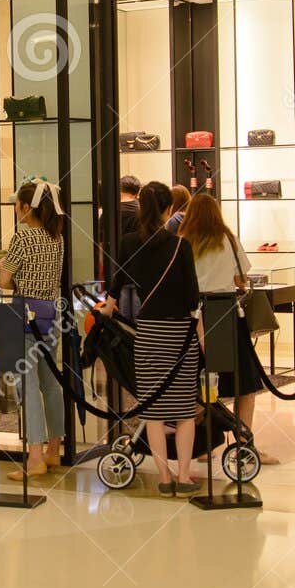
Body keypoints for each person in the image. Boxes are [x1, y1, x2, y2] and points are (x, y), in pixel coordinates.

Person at [109, 183, 202, 495]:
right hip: (178, 334)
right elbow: (192, 297)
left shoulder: (128, 243)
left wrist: (109, 303)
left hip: (147, 332)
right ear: (167, 210)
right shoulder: (180, 246)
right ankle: (185, 475)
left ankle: (163, 476)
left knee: (154, 410)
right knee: (185, 410)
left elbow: (117, 281)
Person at [179, 192, 276, 465]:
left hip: (195, 317)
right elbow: (241, 277)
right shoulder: (228, 239)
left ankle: (203, 445)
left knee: (198, 384)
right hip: (225, 314)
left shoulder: (184, 241)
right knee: (244, 385)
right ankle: (244, 444)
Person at [0, 180, 65, 481]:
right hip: (52, 313)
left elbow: (4, 279)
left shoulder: (23, 238)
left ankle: (34, 456)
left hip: (24, 315)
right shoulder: (56, 237)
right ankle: (54, 449)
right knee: (51, 384)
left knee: (28, 386)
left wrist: (2, 267)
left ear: (26, 207)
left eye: (17, 204)